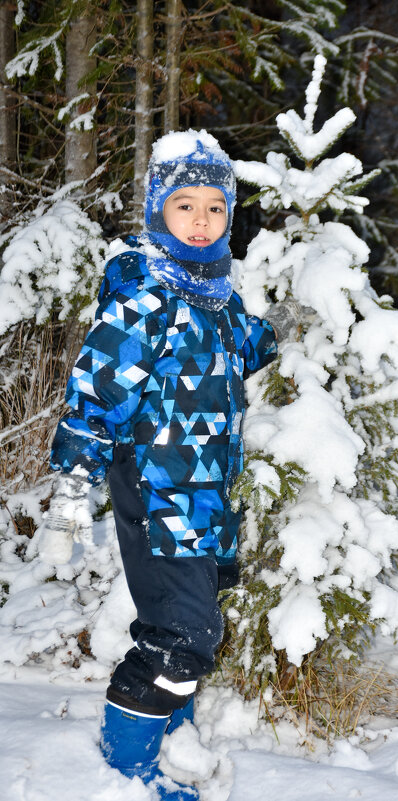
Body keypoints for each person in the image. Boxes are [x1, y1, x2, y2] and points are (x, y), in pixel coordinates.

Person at [38, 130, 293, 800]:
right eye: (185, 204)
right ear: (157, 211)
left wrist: (295, 323)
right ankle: (127, 769)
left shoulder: (216, 296)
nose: (202, 218)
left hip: (207, 495)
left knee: (189, 623)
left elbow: (249, 345)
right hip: (158, 493)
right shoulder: (145, 298)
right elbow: (94, 393)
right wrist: (70, 489)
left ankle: (170, 745)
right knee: (184, 635)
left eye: (215, 206)